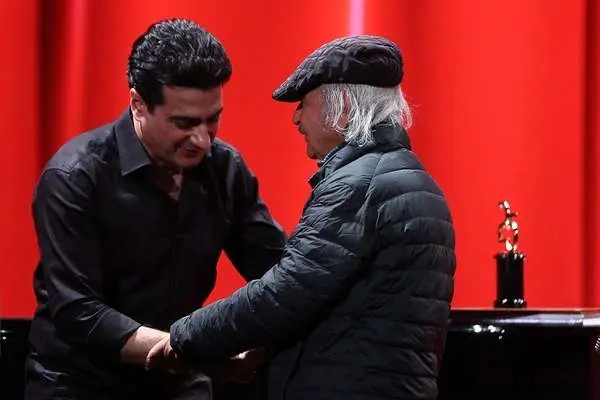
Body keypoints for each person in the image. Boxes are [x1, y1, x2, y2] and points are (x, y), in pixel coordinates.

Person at [147, 35, 457, 400]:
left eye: (304, 104)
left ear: (342, 107)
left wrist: (185, 337)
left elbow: (287, 292)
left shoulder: (360, 185)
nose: (296, 118)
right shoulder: (413, 181)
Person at [25, 18, 286, 399]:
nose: (202, 140)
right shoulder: (75, 176)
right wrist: (188, 349)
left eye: (212, 119)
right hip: (79, 383)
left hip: (179, 381)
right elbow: (78, 311)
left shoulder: (225, 169)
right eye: (184, 123)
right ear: (138, 104)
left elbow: (277, 273)